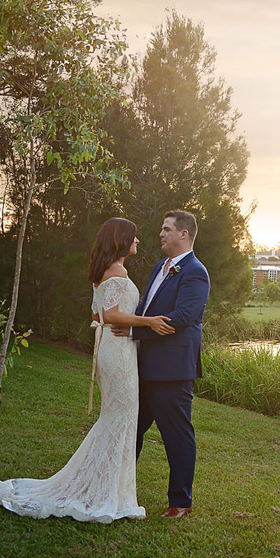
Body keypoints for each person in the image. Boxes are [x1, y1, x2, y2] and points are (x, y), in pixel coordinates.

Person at [0, 217, 175, 522]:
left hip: (114, 347)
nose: (138, 241)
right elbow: (110, 315)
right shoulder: (117, 272)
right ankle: (105, 491)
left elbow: (96, 315)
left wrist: (124, 324)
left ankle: (106, 487)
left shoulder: (102, 271)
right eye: (134, 236)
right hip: (118, 351)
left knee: (118, 416)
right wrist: (149, 322)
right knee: (121, 416)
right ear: (121, 239)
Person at [112, 209, 210, 520]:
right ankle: (117, 489)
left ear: (184, 233)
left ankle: (180, 502)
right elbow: (147, 308)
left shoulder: (195, 272)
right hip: (144, 364)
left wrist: (134, 331)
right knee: (132, 429)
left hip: (173, 370)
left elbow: (183, 317)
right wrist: (132, 322)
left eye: (167, 229)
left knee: (176, 436)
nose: (161, 234)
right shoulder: (159, 267)